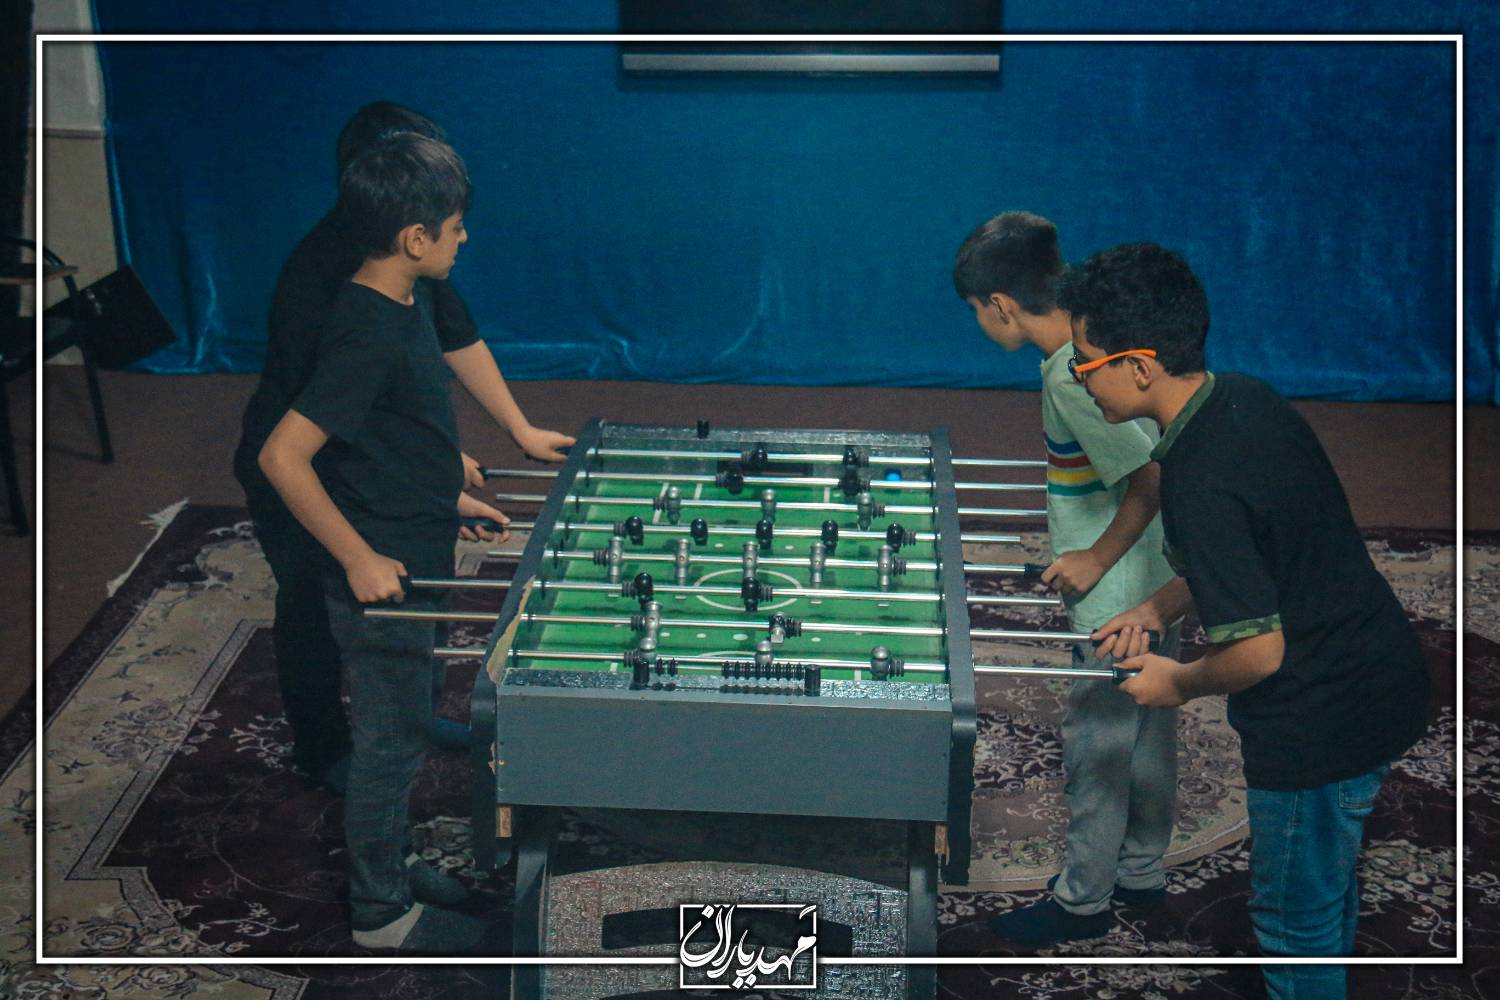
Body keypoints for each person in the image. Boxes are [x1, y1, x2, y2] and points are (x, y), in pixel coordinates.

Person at [1067, 242, 1430, 998]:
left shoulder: (1198, 483)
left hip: (1319, 723)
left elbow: (1259, 654)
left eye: (1085, 362)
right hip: (1385, 679)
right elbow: (1260, 547)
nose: (1078, 378)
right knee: (1326, 895)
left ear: (1140, 366)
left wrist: (1177, 683)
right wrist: (1157, 606)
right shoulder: (1243, 398)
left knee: (1294, 925)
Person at [233, 101, 574, 795]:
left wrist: (516, 430)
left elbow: (454, 338)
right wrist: (425, 476)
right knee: (312, 607)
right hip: (304, 464)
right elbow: (317, 427)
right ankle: (325, 750)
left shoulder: (409, 260)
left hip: (367, 454)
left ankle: (410, 721)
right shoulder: (325, 278)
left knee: (406, 611)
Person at [259, 132, 500, 953]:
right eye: (455, 227)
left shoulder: (406, 303)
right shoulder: (365, 330)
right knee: (391, 743)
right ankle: (380, 911)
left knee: (413, 714)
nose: (464, 237)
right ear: (416, 238)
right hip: (383, 575)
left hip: (416, 546)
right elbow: (283, 457)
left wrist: (448, 496)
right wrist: (359, 558)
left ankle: (395, 859)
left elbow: (387, 438)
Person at [953, 212, 1181, 944]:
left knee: (1099, 741)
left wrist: (1095, 557)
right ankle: (1141, 871)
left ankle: (1082, 901)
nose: (979, 322)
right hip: (1164, 576)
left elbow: (1149, 474)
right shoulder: (1096, 348)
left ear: (1001, 306)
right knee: (1150, 731)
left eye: (976, 310)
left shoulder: (1069, 375)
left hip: (1118, 599)